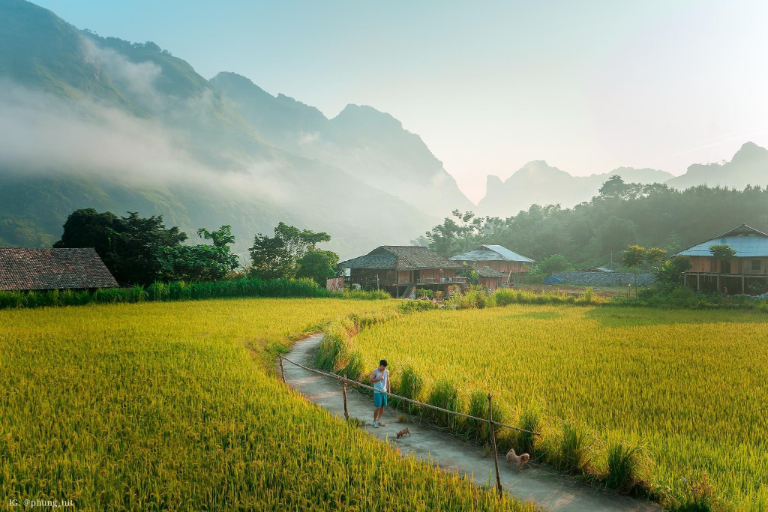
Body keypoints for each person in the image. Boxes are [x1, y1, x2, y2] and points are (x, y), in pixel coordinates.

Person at [369, 359, 390, 428]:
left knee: (382, 406)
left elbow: (388, 381)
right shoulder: (375, 372)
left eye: (385, 367)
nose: (384, 368)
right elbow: (370, 380)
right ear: (380, 365)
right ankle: (374, 421)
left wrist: (389, 391)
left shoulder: (386, 372)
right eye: (383, 367)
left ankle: (379, 420)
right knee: (378, 407)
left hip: (384, 391)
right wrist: (379, 379)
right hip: (377, 391)